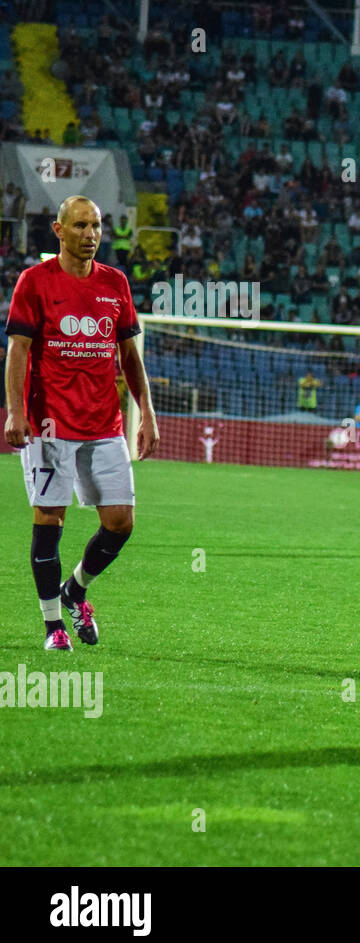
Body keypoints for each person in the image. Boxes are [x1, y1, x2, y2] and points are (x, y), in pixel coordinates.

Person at [3, 194, 159, 651]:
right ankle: (53, 625)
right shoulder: (34, 282)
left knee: (120, 522)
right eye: (80, 226)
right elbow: (18, 351)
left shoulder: (116, 283)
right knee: (50, 517)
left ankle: (75, 590)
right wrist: (15, 410)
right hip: (49, 424)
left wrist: (145, 411)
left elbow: (129, 355)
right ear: (59, 230)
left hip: (104, 422)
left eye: (95, 226)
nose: (90, 235)